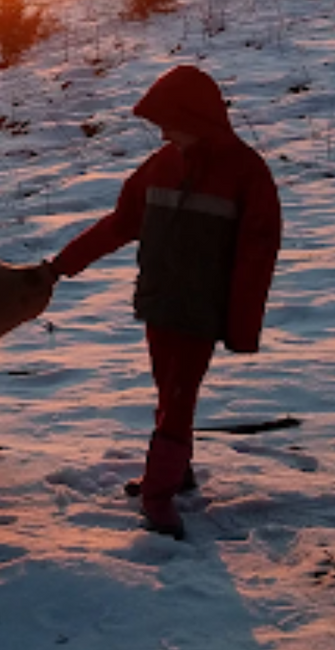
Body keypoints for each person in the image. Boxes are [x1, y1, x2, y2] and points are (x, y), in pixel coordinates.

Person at [48, 64, 281, 539]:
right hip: (158, 303)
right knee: (167, 392)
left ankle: (158, 497)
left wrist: (241, 325)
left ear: (199, 118)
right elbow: (119, 223)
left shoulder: (246, 172)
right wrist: (61, 265)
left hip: (199, 313)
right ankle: (178, 472)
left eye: (170, 121)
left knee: (178, 397)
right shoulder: (161, 165)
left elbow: (258, 254)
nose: (163, 132)